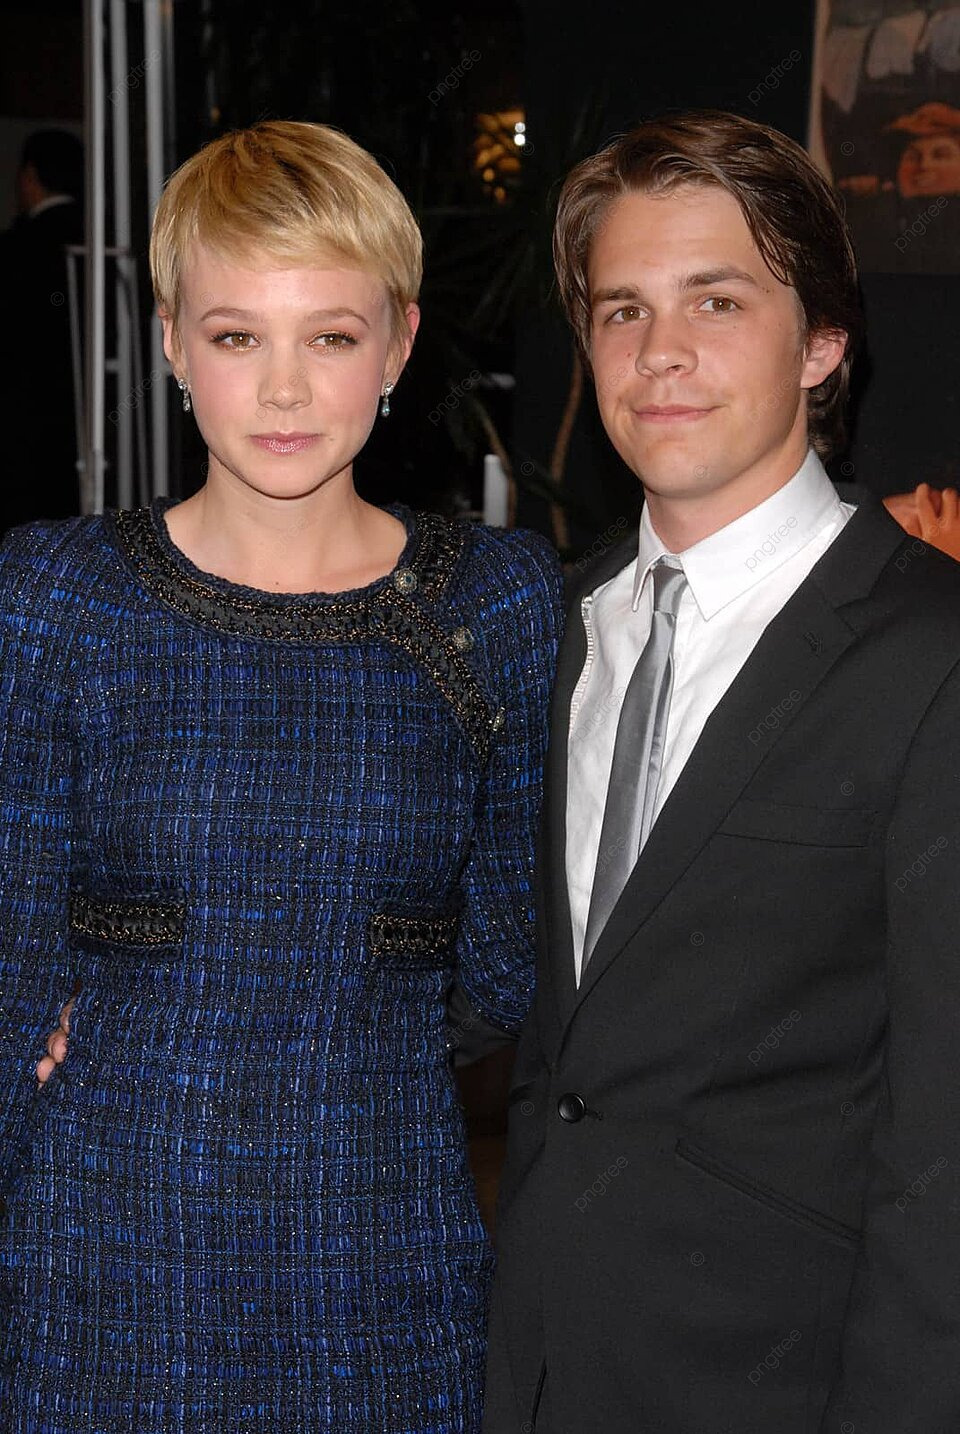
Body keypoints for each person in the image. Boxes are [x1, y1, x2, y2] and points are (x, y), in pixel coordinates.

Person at [0, 120, 563, 1433]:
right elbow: (13, 964)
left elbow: (511, 960)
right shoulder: (54, 593)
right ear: (170, 342)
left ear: (400, 344)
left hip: (386, 1251)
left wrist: (345, 1027)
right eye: (238, 335)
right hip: (101, 1254)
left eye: (333, 335)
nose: (286, 388)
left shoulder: (496, 601)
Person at [483, 110, 960, 1434]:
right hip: (533, 1367)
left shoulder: (933, 659)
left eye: (717, 300)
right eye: (622, 309)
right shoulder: (548, 633)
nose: (661, 353)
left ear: (822, 343)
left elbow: (946, 1153)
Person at [0, 129, 84, 531]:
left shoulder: (15, 248)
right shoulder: (103, 245)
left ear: (29, 176)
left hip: (20, 420)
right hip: (86, 414)